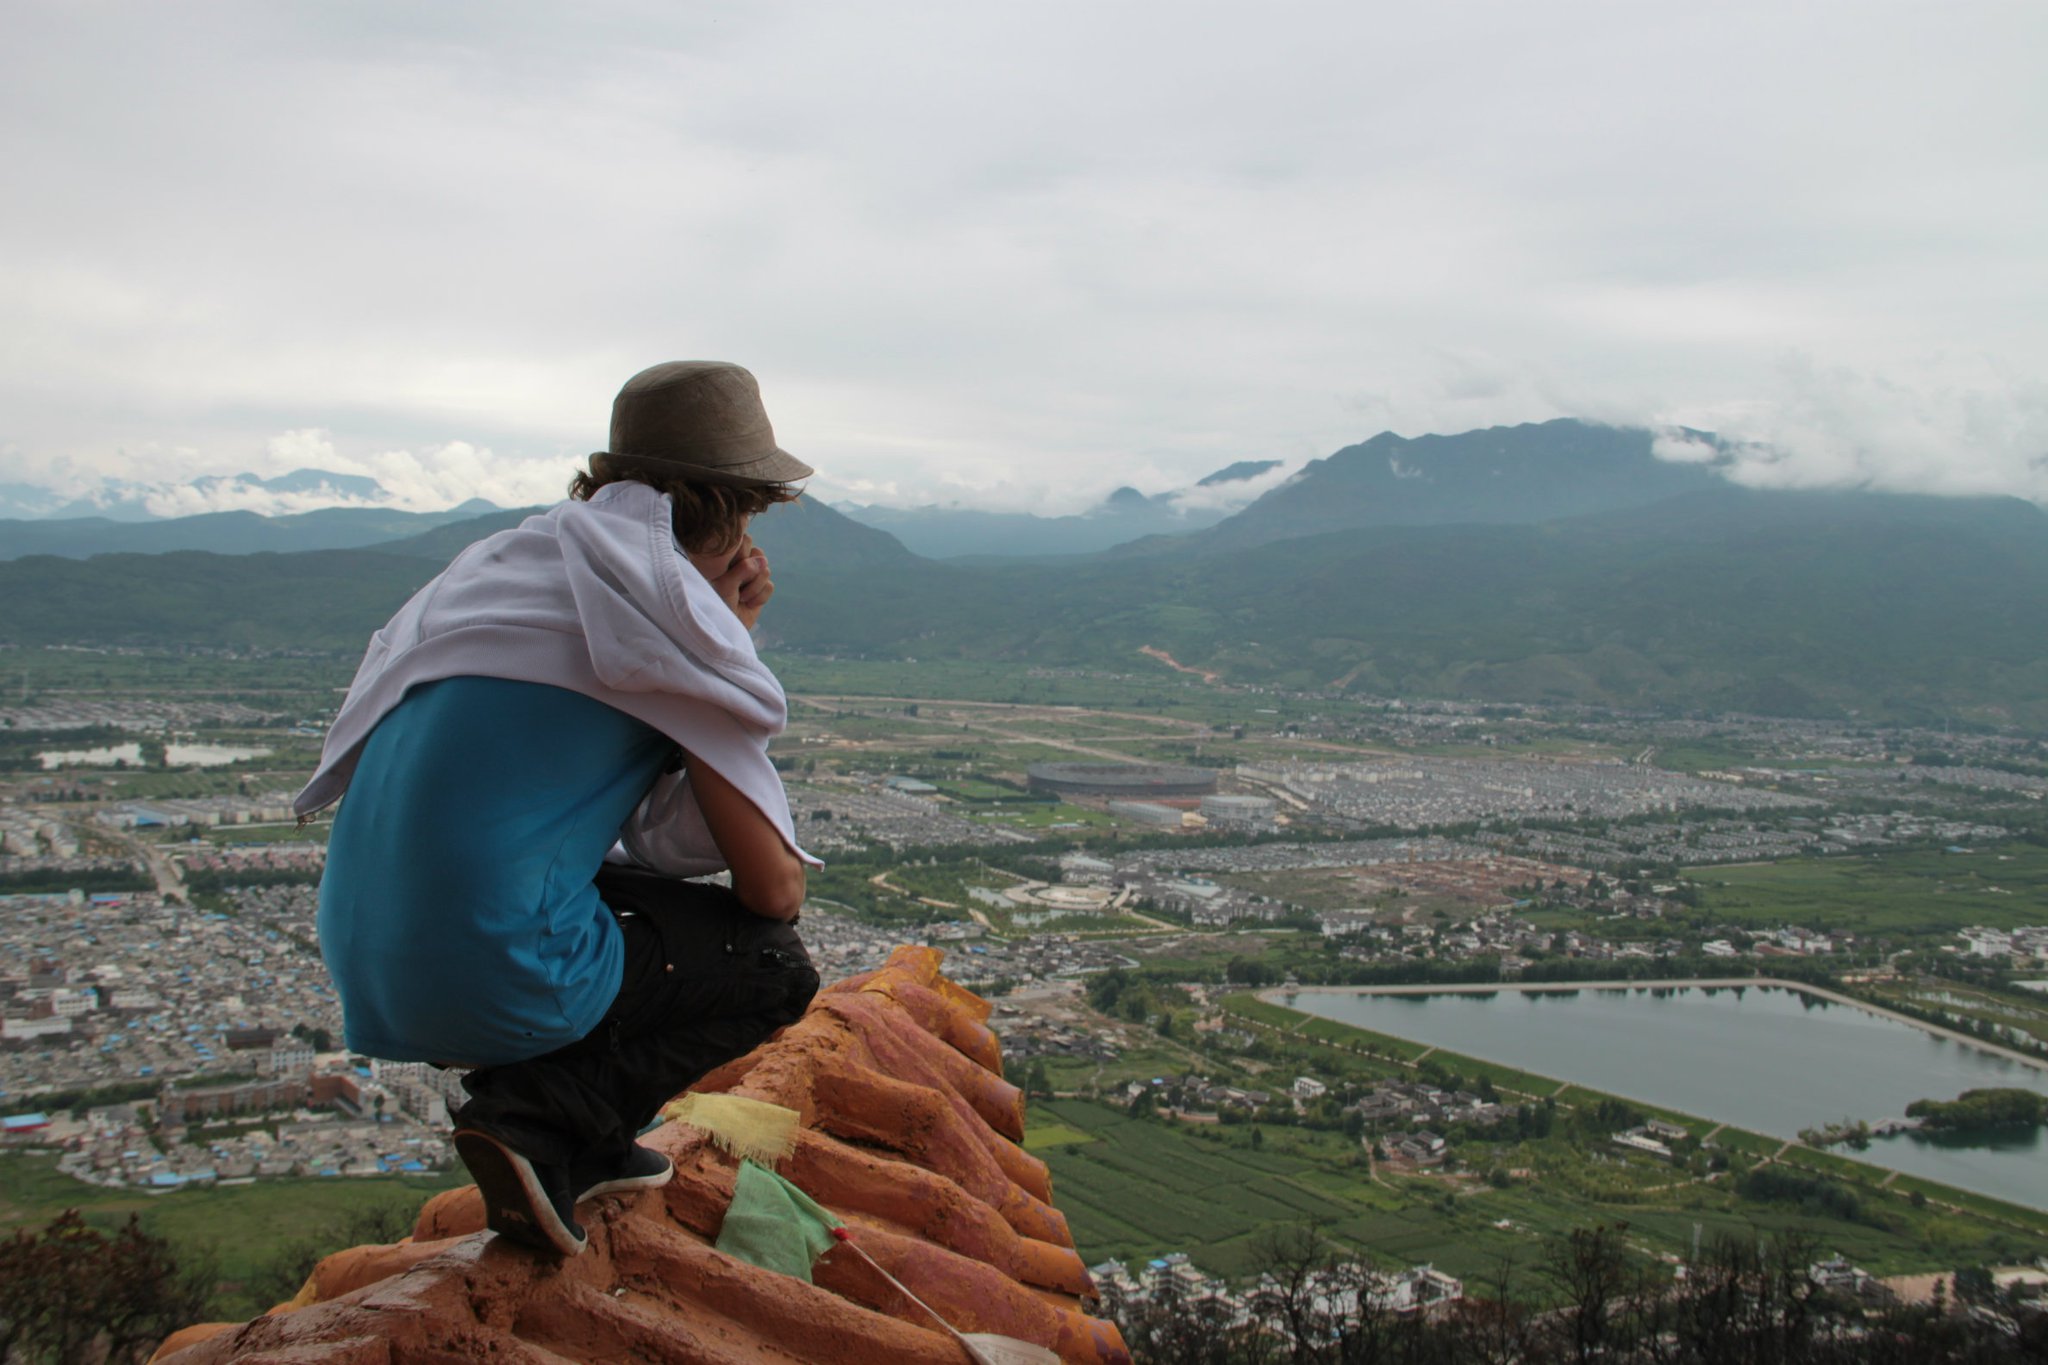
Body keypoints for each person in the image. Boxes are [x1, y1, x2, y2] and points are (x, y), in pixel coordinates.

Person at [294, 361, 823, 1256]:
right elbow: (770, 886)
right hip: (487, 964)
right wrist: (724, 636)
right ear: (735, 516)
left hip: (371, 960)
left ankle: (591, 1135)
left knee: (578, 892)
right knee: (774, 965)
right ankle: (541, 1117)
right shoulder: (662, 618)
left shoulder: (502, 569)